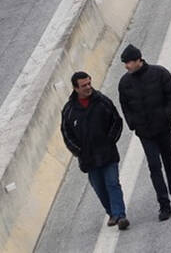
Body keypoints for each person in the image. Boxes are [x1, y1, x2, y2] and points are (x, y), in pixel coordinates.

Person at [117, 45, 171, 221]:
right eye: (125, 63)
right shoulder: (124, 83)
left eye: (129, 62)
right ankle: (164, 206)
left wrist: (166, 115)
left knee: (169, 163)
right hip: (145, 133)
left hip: (164, 129)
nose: (126, 66)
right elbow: (125, 107)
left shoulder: (159, 73)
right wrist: (134, 125)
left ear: (139, 59)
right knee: (154, 167)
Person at [60, 71, 129, 230]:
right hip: (89, 159)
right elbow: (66, 134)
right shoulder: (69, 111)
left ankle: (120, 215)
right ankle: (112, 213)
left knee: (113, 184)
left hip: (108, 154)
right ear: (76, 88)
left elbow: (116, 121)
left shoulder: (102, 101)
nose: (88, 87)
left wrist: (110, 140)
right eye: (84, 85)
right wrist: (79, 151)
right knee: (99, 188)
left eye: (89, 83)